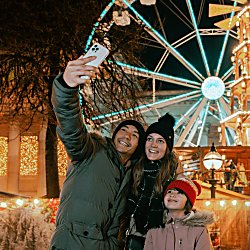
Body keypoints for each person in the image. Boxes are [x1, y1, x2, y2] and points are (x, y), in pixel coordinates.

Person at [49, 55, 145, 250]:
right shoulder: (89, 151)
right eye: (123, 130)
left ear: (138, 145)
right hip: (71, 243)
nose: (127, 136)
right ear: (114, 134)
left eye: (134, 135)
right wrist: (67, 88)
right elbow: (70, 126)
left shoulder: (132, 174)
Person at [122, 113, 182, 250]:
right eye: (150, 139)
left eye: (160, 141)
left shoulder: (175, 178)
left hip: (162, 240)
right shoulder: (133, 169)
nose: (153, 145)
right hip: (133, 238)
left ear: (168, 147)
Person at [144, 177, 215, 250]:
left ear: (188, 201)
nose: (172, 195)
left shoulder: (199, 230)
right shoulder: (154, 229)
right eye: (169, 191)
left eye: (180, 192)